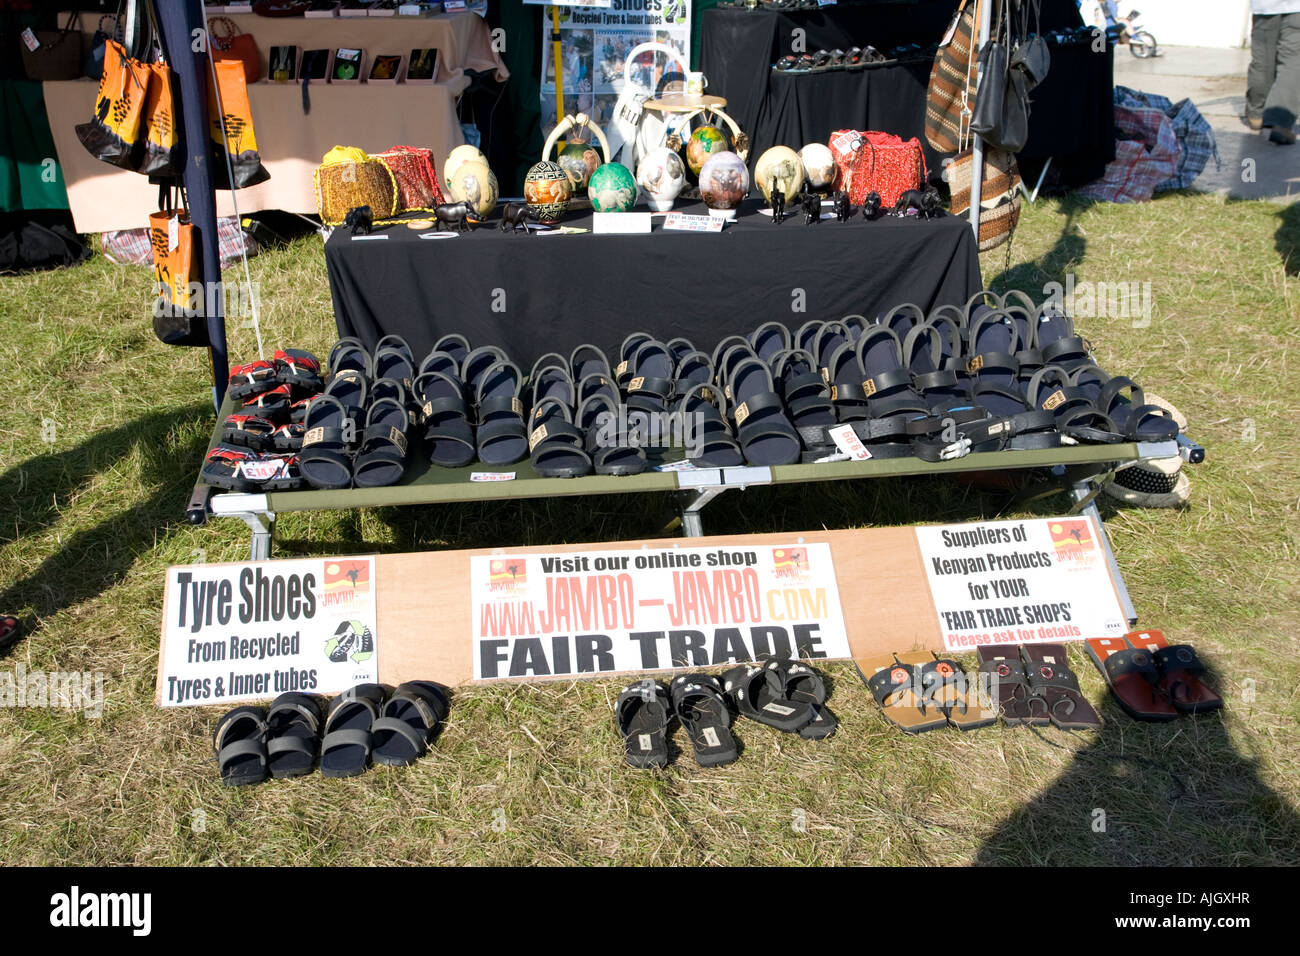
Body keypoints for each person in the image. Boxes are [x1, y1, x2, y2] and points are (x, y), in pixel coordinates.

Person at [1246, 0, 1300, 144]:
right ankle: (1279, 122)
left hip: (1264, 7)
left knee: (1263, 61)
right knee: (1292, 62)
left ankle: (1256, 116)